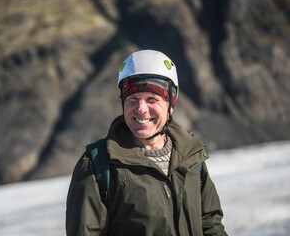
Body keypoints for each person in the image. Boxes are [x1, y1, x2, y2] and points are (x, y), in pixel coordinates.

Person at [66, 49, 227, 236]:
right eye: (133, 99)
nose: (141, 109)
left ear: (170, 104)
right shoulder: (97, 165)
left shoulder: (190, 157)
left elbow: (210, 224)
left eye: (152, 99)